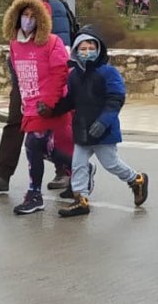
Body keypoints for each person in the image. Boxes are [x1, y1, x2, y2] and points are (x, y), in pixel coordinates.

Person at [0, 0, 74, 193]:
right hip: (24, 82)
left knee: (54, 127)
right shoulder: (19, 9)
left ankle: (66, 171)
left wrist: (57, 87)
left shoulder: (53, 6)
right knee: (14, 124)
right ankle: (1, 175)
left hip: (48, 81)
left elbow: (63, 47)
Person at [52, 27, 149, 217]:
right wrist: (52, 110)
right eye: (83, 48)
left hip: (103, 130)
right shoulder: (74, 76)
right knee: (78, 164)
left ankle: (137, 180)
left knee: (111, 164)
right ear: (76, 51)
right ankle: (81, 199)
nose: (87, 52)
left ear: (99, 49)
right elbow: (71, 100)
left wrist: (104, 122)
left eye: (91, 47)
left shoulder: (108, 72)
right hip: (82, 128)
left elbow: (116, 98)